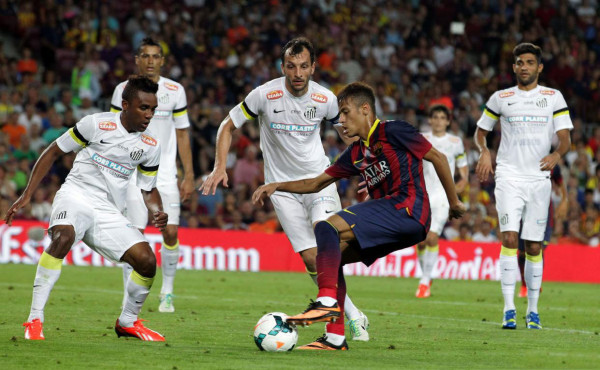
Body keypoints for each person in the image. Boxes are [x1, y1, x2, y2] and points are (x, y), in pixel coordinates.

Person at [252, 82, 465, 350]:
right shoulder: (354, 154)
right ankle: (335, 337)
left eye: (345, 113)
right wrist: (276, 185)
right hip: (398, 224)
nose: (340, 121)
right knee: (330, 258)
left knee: (327, 228)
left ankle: (327, 301)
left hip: (407, 209)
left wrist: (454, 201)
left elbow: (438, 157)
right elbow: (314, 184)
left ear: (365, 110)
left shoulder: (393, 130)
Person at [200, 37, 370, 341]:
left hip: (319, 182)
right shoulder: (265, 94)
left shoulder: (326, 99)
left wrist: (368, 168)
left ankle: (339, 331)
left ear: (313, 67)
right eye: (291, 66)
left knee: (325, 241)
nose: (298, 73)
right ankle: (353, 312)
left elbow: (348, 134)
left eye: (304, 66)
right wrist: (219, 166)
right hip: (281, 189)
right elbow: (227, 125)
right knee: (310, 259)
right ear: (283, 67)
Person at [5, 76, 167, 341]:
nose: (149, 115)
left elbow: (148, 188)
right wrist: (27, 195)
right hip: (76, 195)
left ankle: (127, 322)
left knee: (147, 262)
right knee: (64, 238)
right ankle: (34, 319)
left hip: (108, 211)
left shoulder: (150, 146)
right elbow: (54, 151)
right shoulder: (96, 124)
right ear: (125, 105)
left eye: (152, 109)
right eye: (143, 108)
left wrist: (156, 210)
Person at [475, 43, 573, 330]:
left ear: (539, 67)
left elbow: (565, 138)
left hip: (539, 179)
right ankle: (508, 309)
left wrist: (557, 154)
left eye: (530, 62)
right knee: (508, 239)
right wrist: (483, 150)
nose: (525, 67)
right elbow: (481, 131)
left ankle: (532, 310)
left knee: (533, 245)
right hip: (508, 176)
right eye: (520, 62)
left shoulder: (553, 97)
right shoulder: (501, 98)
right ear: (514, 67)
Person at [111, 37, 194, 313]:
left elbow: (182, 133)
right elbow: (112, 132)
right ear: (137, 59)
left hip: (166, 174)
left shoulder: (175, 91)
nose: (150, 61)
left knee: (170, 231)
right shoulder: (122, 90)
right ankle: (127, 296)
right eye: (145, 56)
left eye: (155, 56)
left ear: (162, 60)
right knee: (132, 235)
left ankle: (167, 292)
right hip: (131, 174)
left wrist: (189, 174)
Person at [416, 104, 468, 298]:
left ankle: (423, 282)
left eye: (442, 117)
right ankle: (426, 276)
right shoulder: (421, 139)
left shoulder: (455, 142)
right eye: (435, 117)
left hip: (443, 197)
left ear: (447, 121)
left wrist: (454, 194)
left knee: (432, 237)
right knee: (420, 241)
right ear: (430, 120)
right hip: (423, 195)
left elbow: (464, 175)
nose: (438, 120)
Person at [517, 165, 567, 297]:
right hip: (524, 208)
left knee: (539, 248)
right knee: (522, 251)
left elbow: (560, 182)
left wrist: (564, 200)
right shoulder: (523, 158)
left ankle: (536, 284)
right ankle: (524, 286)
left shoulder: (550, 162)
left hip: (544, 210)